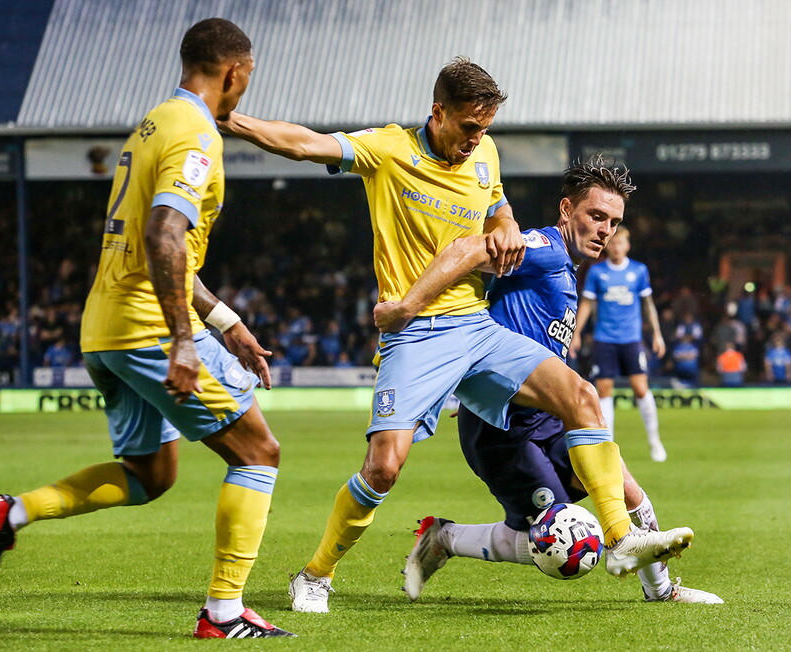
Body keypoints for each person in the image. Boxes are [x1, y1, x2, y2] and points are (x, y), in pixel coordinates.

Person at [220, 57, 694, 614]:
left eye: (485, 128)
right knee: (384, 467)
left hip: (476, 325)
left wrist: (507, 221)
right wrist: (228, 118)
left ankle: (620, 539)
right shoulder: (389, 149)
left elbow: (495, 205)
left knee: (582, 398)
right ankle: (314, 574)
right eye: (469, 126)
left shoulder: (484, 152)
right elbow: (304, 143)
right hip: (415, 332)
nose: (477, 139)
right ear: (438, 112)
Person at [0, 19, 293, 639]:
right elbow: (166, 234)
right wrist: (185, 339)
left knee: (150, 476)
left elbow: (164, 247)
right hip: (149, 328)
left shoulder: (153, 123)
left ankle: (11, 514)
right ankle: (223, 614)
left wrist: (226, 323)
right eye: (249, 77)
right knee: (258, 454)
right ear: (235, 72)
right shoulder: (197, 133)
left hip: (105, 328)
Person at [377, 158, 720, 604]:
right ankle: (445, 538)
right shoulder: (545, 248)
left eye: (614, 222)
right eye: (596, 216)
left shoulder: (567, 268)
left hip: (549, 419)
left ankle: (662, 591)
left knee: (627, 490)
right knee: (563, 545)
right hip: (501, 430)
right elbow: (473, 251)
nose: (605, 230)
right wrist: (411, 304)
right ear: (566, 210)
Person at [570, 226, 668, 462]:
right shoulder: (597, 272)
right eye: (612, 244)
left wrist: (657, 333)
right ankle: (609, 446)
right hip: (604, 339)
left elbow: (648, 304)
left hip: (631, 339)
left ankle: (654, 441)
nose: (616, 248)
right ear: (607, 246)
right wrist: (576, 332)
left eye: (620, 243)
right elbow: (586, 304)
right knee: (604, 391)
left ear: (627, 245)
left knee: (641, 389)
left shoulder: (638, 271)